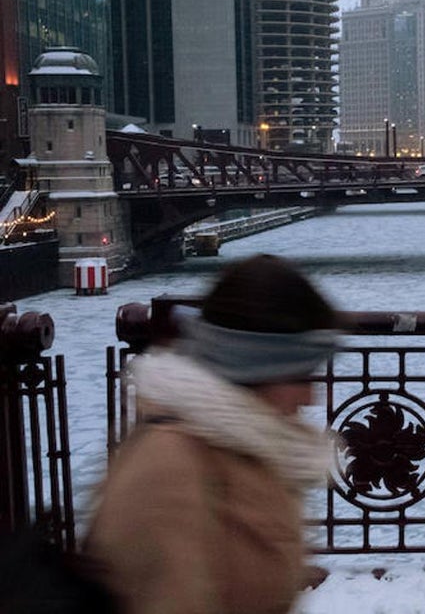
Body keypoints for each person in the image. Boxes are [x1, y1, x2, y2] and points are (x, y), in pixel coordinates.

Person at [83, 254, 339, 614]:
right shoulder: (169, 469)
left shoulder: (249, 444)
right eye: (298, 374)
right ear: (250, 366)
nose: (310, 396)